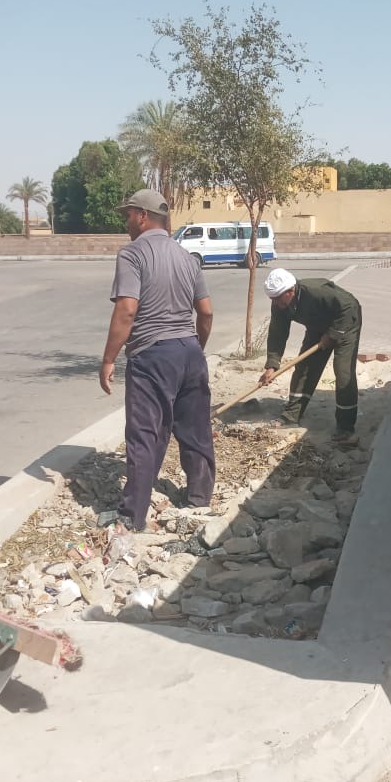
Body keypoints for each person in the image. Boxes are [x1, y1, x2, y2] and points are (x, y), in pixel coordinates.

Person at [99, 189, 215, 531]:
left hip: (152, 354)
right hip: (190, 350)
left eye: (129, 215)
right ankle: (199, 497)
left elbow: (127, 309)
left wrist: (109, 359)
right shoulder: (186, 256)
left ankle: (132, 516)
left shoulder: (132, 255)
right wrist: (195, 347)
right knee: (195, 428)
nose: (126, 222)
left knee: (145, 434)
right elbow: (206, 312)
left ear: (143, 216)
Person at [258, 268, 362, 442]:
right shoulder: (280, 303)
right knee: (304, 368)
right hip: (318, 326)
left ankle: (345, 426)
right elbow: (277, 333)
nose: (274, 303)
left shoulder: (316, 292)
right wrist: (272, 364)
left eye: (277, 299)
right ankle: (291, 415)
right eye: (272, 300)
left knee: (343, 372)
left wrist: (333, 334)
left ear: (290, 291)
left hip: (346, 322)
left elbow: (348, 307)